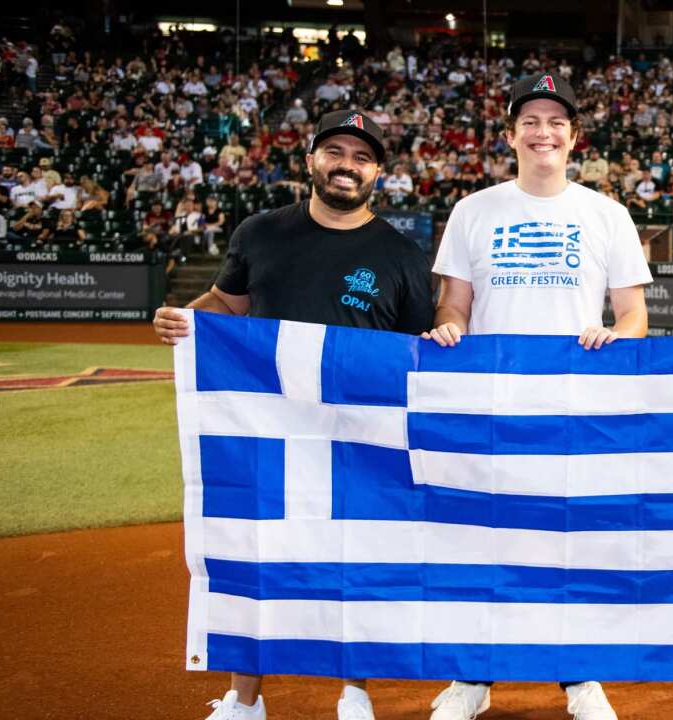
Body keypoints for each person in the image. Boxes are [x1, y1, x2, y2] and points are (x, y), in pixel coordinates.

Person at [152, 109, 435, 720]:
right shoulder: (260, 232)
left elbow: (414, 352)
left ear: (378, 173)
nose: (346, 165)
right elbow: (225, 303)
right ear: (311, 160)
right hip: (269, 432)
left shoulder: (402, 255)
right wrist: (184, 319)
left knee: (355, 561)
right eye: (335, 152)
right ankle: (244, 699)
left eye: (362, 157)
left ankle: (354, 694)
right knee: (257, 553)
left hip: (358, 437)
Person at [422, 72, 651, 720]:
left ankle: (579, 676)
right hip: (489, 406)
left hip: (573, 408)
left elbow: (634, 315)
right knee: (482, 542)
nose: (542, 132)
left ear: (574, 136)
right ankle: (472, 678)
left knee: (570, 543)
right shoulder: (473, 211)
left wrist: (616, 335)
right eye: (530, 120)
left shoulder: (606, 214)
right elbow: (454, 303)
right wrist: (450, 327)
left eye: (556, 121)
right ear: (511, 134)